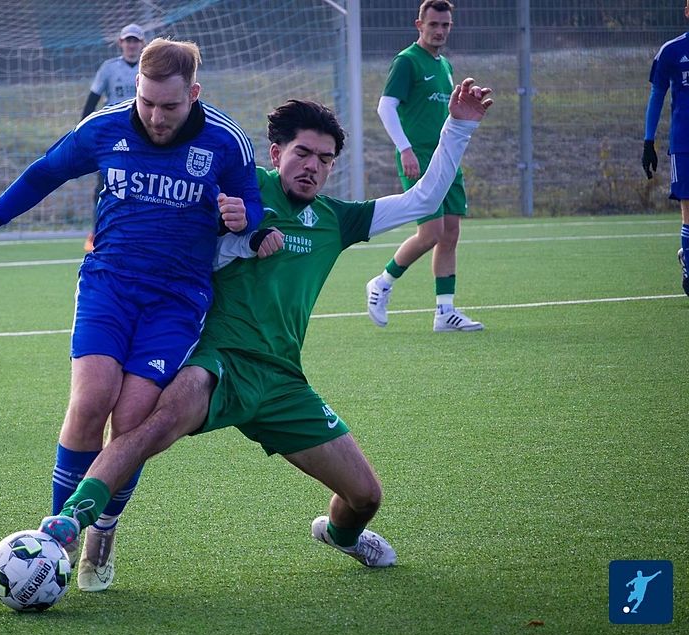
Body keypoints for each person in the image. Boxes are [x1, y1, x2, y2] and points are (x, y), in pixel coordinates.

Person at [37, 79, 493, 577]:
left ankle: (340, 535)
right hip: (217, 362)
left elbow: (425, 200)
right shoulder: (240, 186)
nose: (312, 166)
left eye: (325, 159)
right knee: (151, 427)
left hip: (281, 382)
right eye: (303, 153)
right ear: (277, 153)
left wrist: (459, 126)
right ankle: (73, 523)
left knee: (366, 496)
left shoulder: (337, 220)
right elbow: (176, 228)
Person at [0, 38, 263, 591]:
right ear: (135, 89)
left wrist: (244, 217)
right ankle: (55, 540)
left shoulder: (225, 140)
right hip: (109, 284)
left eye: (170, 105)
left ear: (194, 93)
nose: (156, 117)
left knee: (132, 419)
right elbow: (43, 174)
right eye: (147, 102)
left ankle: (104, 528)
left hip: (178, 299)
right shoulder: (105, 126)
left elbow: (252, 205)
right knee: (92, 399)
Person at [366, 0, 483, 332]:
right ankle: (382, 283)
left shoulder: (444, 65)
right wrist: (405, 149)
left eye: (445, 25)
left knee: (450, 233)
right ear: (419, 25)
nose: (440, 31)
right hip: (419, 158)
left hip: (448, 158)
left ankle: (445, 312)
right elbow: (385, 107)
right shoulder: (407, 61)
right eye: (433, 24)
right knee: (431, 233)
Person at [80, 23, 147, 252]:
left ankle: (138, 231)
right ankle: (96, 232)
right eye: (128, 40)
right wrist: (85, 132)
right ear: (121, 43)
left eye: (135, 41)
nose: (131, 45)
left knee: (143, 183)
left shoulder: (149, 68)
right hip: (113, 137)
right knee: (105, 184)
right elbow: (91, 102)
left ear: (142, 44)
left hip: (143, 136)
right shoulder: (109, 68)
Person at [642, 0, 689, 298]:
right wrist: (649, 142)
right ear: (687, 12)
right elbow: (657, 94)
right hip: (684, 145)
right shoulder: (671, 51)